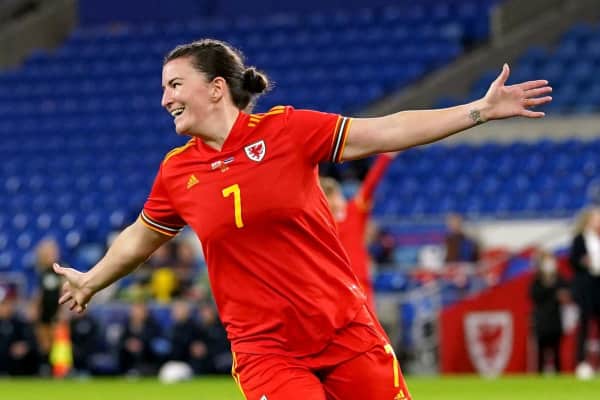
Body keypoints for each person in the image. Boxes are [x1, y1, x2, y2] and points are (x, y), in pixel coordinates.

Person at [53, 39, 551, 399]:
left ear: (216, 88)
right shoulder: (176, 171)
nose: (165, 99)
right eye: (164, 88)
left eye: (175, 85)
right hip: (265, 349)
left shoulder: (288, 131)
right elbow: (140, 236)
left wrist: (478, 111)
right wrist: (92, 279)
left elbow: (386, 130)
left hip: (344, 329)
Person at [320, 153, 397, 311]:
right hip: (335, 285)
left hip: (359, 282)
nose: (339, 199)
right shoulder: (320, 221)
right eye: (334, 196)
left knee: (368, 323)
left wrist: (386, 157)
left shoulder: (354, 211)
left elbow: (370, 184)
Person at [568, 207, 600, 379]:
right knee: (584, 325)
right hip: (586, 286)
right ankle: (581, 363)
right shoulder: (580, 239)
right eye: (596, 218)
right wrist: (583, 262)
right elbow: (572, 261)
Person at [529, 251, 569, 374]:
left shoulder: (559, 279)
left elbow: (567, 291)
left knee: (556, 352)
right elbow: (534, 295)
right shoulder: (537, 280)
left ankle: (558, 376)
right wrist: (550, 287)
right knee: (541, 353)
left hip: (555, 321)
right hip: (541, 322)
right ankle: (540, 376)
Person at [32, 237, 62, 371]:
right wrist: (35, 309)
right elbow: (38, 293)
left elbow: (63, 290)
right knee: (44, 343)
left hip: (56, 310)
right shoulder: (40, 271)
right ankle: (44, 368)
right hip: (44, 311)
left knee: (57, 341)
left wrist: (62, 312)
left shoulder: (60, 269)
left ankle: (58, 368)